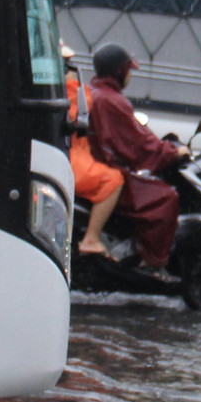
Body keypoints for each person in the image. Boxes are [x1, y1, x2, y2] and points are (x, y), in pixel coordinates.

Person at [85, 43, 191, 280]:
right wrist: (173, 152)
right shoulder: (113, 101)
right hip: (113, 172)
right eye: (128, 71)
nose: (131, 76)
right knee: (165, 199)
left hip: (100, 166)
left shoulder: (96, 93)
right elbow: (140, 144)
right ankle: (151, 262)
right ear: (119, 72)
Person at [63, 43, 123, 258]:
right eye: (66, 64)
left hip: (75, 152)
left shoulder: (80, 92)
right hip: (72, 156)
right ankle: (91, 238)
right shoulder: (70, 93)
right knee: (113, 179)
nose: (70, 69)